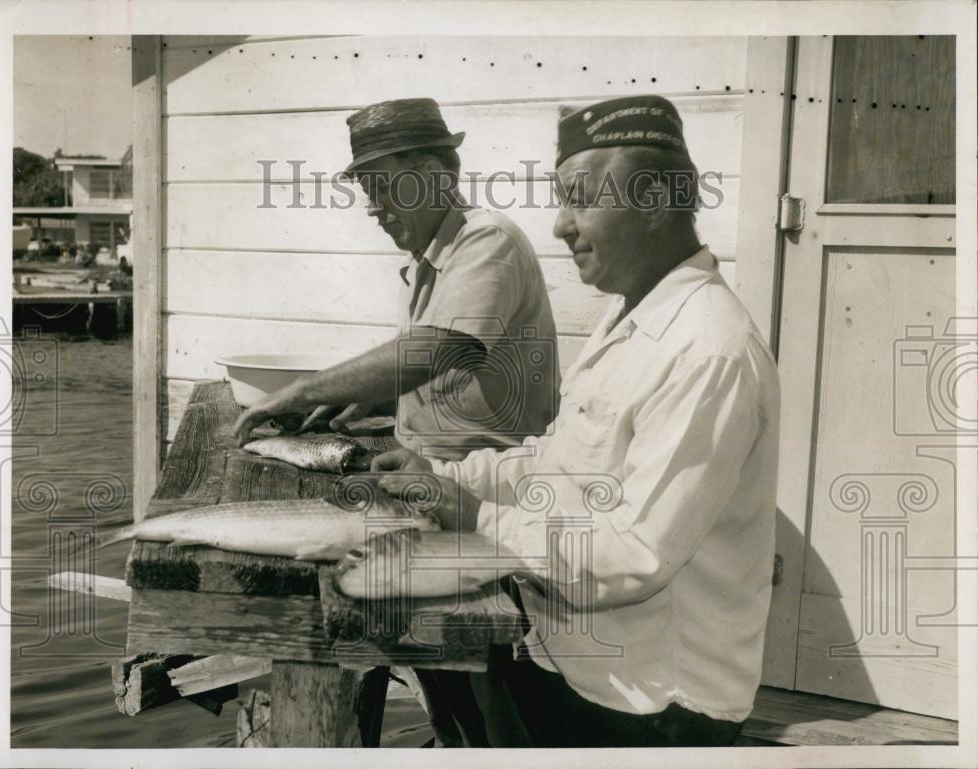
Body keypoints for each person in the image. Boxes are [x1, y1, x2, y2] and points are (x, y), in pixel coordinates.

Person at [373, 95, 781, 748]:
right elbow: (557, 460)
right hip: (570, 659)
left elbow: (632, 555)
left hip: (647, 709)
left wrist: (474, 514)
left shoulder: (709, 348)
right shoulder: (633, 314)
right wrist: (445, 474)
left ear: (654, 200)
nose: (560, 225)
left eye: (581, 199)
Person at [232, 97, 560, 747]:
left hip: (485, 499)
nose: (375, 209)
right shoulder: (432, 261)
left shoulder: (485, 242)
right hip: (430, 485)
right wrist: (373, 404)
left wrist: (296, 393)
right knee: (444, 688)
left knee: (491, 692)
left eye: (384, 189)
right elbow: (449, 371)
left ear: (437, 173)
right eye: (369, 192)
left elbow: (442, 348)